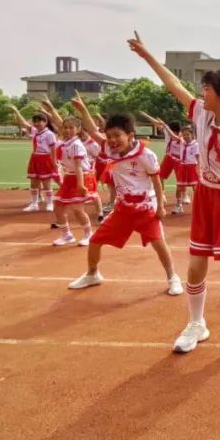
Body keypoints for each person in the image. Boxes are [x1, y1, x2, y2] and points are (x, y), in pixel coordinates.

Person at [129, 33, 220, 355]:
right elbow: (174, 85)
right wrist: (149, 57)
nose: (201, 92)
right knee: (194, 267)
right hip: (205, 197)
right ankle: (196, 323)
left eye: (207, 88)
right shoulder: (201, 113)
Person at [66, 109, 183, 298]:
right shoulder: (110, 150)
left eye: (117, 136)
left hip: (145, 207)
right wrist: (82, 110)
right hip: (122, 209)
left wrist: (161, 205)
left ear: (130, 135)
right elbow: (94, 133)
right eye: (109, 136)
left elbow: (156, 180)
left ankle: (172, 277)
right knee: (95, 241)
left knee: (158, 243)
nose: (112, 140)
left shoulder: (146, 155)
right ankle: (92, 274)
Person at [51, 116, 95, 246]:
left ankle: (88, 233)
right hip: (70, 176)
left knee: (77, 208)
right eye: (65, 127)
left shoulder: (76, 145)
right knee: (58, 207)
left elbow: (78, 166)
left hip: (81, 176)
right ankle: (67, 235)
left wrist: (80, 184)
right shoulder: (65, 143)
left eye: (71, 128)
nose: (67, 130)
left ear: (78, 129)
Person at [9, 106, 57, 212]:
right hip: (35, 157)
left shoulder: (49, 134)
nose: (36, 124)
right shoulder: (35, 131)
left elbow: (53, 148)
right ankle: (34, 204)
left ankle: (50, 203)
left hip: (45, 158)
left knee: (46, 183)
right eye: (35, 122)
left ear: (45, 122)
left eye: (39, 121)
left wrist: (54, 161)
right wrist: (17, 111)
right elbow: (23, 123)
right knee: (33, 182)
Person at [141, 113, 185, 204]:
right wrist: (146, 115)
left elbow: (174, 136)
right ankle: (162, 193)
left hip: (180, 159)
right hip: (169, 156)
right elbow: (157, 123)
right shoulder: (167, 132)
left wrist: (164, 125)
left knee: (180, 180)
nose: (167, 130)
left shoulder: (183, 136)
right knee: (160, 176)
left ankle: (183, 197)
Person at [173, 125, 200, 215]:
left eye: (187, 134)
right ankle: (178, 205)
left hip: (192, 167)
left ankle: (199, 206)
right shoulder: (181, 142)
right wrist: (165, 126)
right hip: (183, 166)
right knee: (179, 187)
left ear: (192, 135)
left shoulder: (196, 144)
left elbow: (198, 157)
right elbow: (172, 136)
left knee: (196, 188)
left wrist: (199, 168)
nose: (185, 136)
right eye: (184, 135)